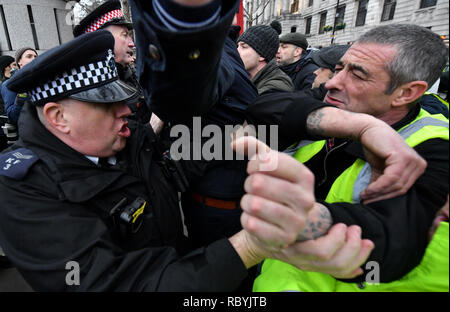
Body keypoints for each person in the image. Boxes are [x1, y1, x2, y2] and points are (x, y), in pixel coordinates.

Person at [0, 29, 316, 291]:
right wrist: (249, 247)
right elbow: (113, 284)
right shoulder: (24, 190)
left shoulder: (127, 140)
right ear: (58, 117)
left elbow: (187, 154)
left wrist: (314, 119)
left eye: (123, 99)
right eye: (107, 105)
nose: (125, 110)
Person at [253, 24, 449, 292]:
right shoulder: (342, 105)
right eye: (338, 69)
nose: (333, 83)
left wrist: (300, 219)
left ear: (406, 93)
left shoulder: (436, 147)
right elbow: (263, 108)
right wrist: (357, 126)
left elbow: (394, 241)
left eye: (357, 75)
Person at [73, 0, 151, 124]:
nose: (132, 43)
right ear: (103, 42)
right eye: (124, 35)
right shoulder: (94, 90)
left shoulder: (132, 73)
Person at [237, 25, 294, 94]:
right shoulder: (244, 75)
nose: (236, 51)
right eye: (237, 46)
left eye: (244, 47)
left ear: (261, 55)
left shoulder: (277, 87)